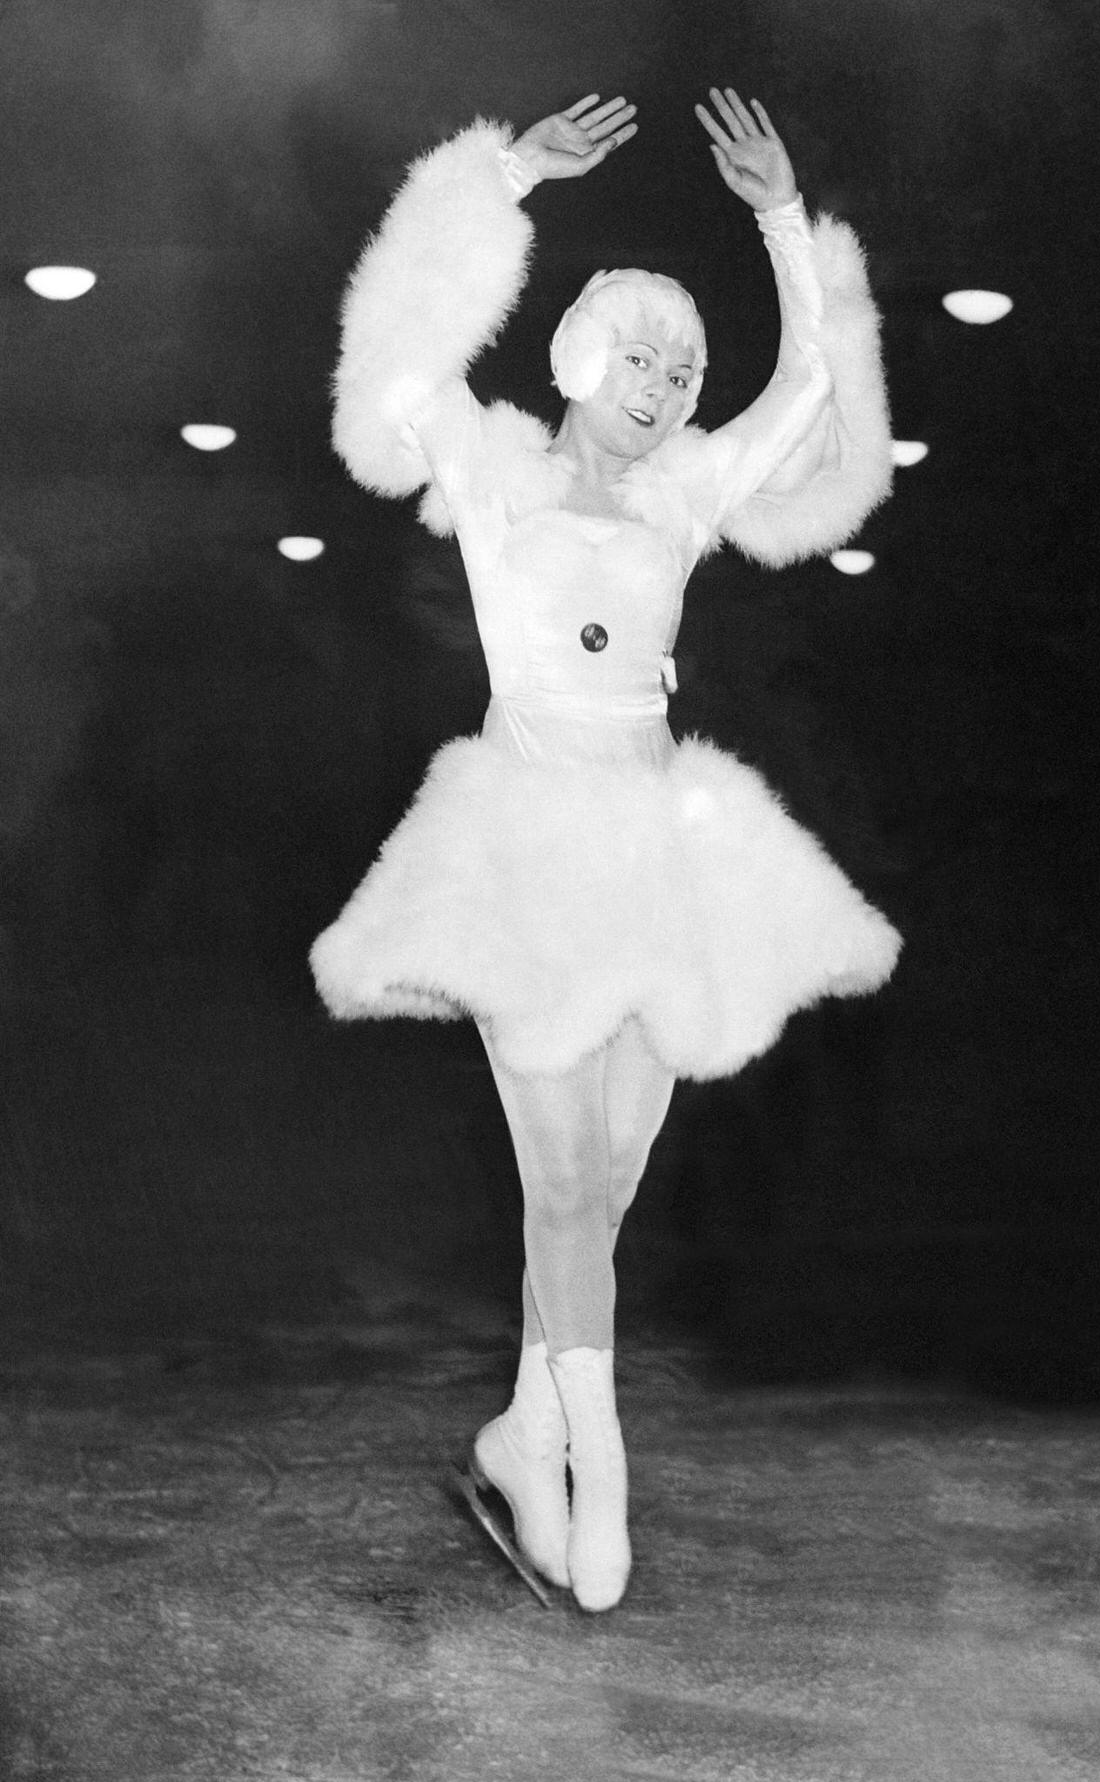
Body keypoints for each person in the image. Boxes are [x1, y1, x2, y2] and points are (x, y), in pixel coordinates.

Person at [311, 88, 901, 1612]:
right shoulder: (491, 466)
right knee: (564, 1185)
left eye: (682, 368)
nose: (664, 383)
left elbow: (811, 383)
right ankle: (599, 1473)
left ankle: (525, 1431)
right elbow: (397, 352)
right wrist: (504, 174)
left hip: (654, 858)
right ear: (581, 355)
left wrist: (783, 222)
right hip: (522, 848)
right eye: (641, 355)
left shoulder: (687, 489)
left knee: (609, 1185)